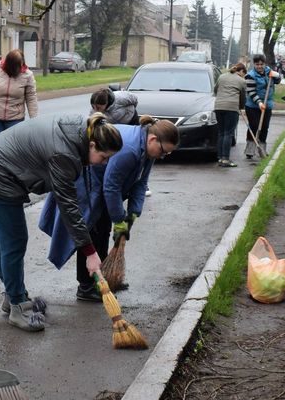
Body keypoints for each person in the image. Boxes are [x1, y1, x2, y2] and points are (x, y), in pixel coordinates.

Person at [0, 112, 123, 331]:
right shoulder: (65, 154)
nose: (105, 163)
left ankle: (12, 294)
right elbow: (69, 206)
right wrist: (90, 252)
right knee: (14, 239)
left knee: (4, 235)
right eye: (104, 157)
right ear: (91, 145)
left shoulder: (81, 129)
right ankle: (16, 305)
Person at [39, 116, 180, 301]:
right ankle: (87, 286)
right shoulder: (129, 149)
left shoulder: (148, 150)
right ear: (153, 139)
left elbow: (140, 183)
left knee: (103, 231)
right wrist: (119, 219)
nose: (162, 156)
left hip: (102, 186)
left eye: (166, 154)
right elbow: (111, 186)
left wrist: (133, 215)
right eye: (163, 151)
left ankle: (102, 280)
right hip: (87, 182)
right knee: (92, 231)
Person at [0, 49, 38, 142]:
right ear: (8, 64)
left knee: (10, 152)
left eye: (19, 66)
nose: (18, 70)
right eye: (14, 67)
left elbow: (31, 98)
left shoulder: (27, 75)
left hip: (15, 119)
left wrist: (34, 120)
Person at [244, 54, 282, 158]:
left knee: (265, 127)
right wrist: (259, 103)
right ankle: (250, 149)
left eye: (262, 64)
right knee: (254, 126)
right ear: (254, 64)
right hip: (252, 106)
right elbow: (251, 92)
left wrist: (277, 75)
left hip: (267, 105)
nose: (260, 66)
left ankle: (262, 149)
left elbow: (278, 81)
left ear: (264, 64)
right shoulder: (250, 76)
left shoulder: (268, 72)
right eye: (257, 64)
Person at [213, 62, 247, 167]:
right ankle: (226, 159)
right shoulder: (241, 81)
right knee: (228, 133)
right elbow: (243, 97)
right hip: (231, 108)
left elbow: (215, 90)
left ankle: (220, 158)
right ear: (241, 71)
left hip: (218, 107)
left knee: (221, 132)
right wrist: (241, 108)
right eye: (244, 73)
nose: (243, 75)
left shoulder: (222, 76)